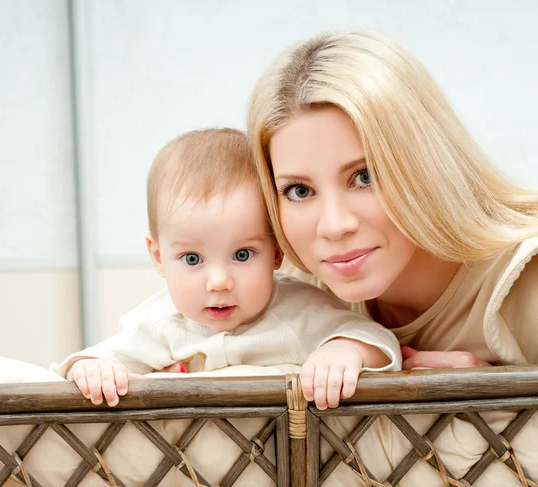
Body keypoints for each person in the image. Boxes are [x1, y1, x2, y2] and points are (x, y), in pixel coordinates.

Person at [246, 28, 538, 404]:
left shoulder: (524, 279)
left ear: (425, 161)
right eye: (299, 191)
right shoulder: (292, 297)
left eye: (365, 176)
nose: (335, 226)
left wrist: (505, 403)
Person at [52, 128, 401, 408]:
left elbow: (379, 341)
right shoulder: (157, 324)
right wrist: (92, 369)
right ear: (158, 257)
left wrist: (343, 351)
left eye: (243, 255)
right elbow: (96, 359)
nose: (219, 282)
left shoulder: (299, 310)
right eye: (192, 259)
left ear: (277, 253)